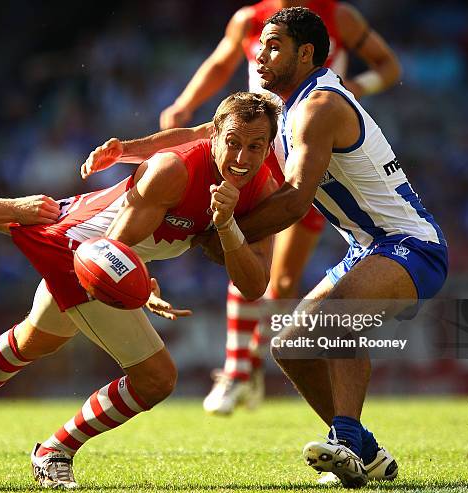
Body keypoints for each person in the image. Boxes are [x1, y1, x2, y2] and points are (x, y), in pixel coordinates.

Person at [83, 8, 447, 488]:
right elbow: (204, 137)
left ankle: (345, 440)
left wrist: (224, 232)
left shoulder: (318, 107)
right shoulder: (283, 106)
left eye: (274, 45)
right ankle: (370, 457)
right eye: (262, 43)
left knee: (339, 316)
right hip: (368, 246)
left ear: (306, 54)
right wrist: (127, 150)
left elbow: (296, 200)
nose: (260, 52)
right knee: (291, 348)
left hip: (411, 245)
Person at [0, 93, 280, 489]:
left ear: (269, 148)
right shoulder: (174, 169)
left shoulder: (263, 189)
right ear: (214, 135)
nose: (241, 157)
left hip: (98, 247)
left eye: (256, 147)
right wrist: (135, 283)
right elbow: (108, 252)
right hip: (79, 249)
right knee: (156, 380)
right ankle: (55, 451)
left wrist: (227, 226)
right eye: (233, 142)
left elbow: (255, 286)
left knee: (36, 338)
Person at [160, 0, 402, 416]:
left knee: (284, 283)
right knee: (245, 246)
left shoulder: (337, 17)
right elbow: (220, 66)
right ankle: (239, 370)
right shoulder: (249, 19)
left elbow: (389, 68)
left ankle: (254, 360)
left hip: (309, 158)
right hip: (261, 155)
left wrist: (352, 91)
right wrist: (185, 102)